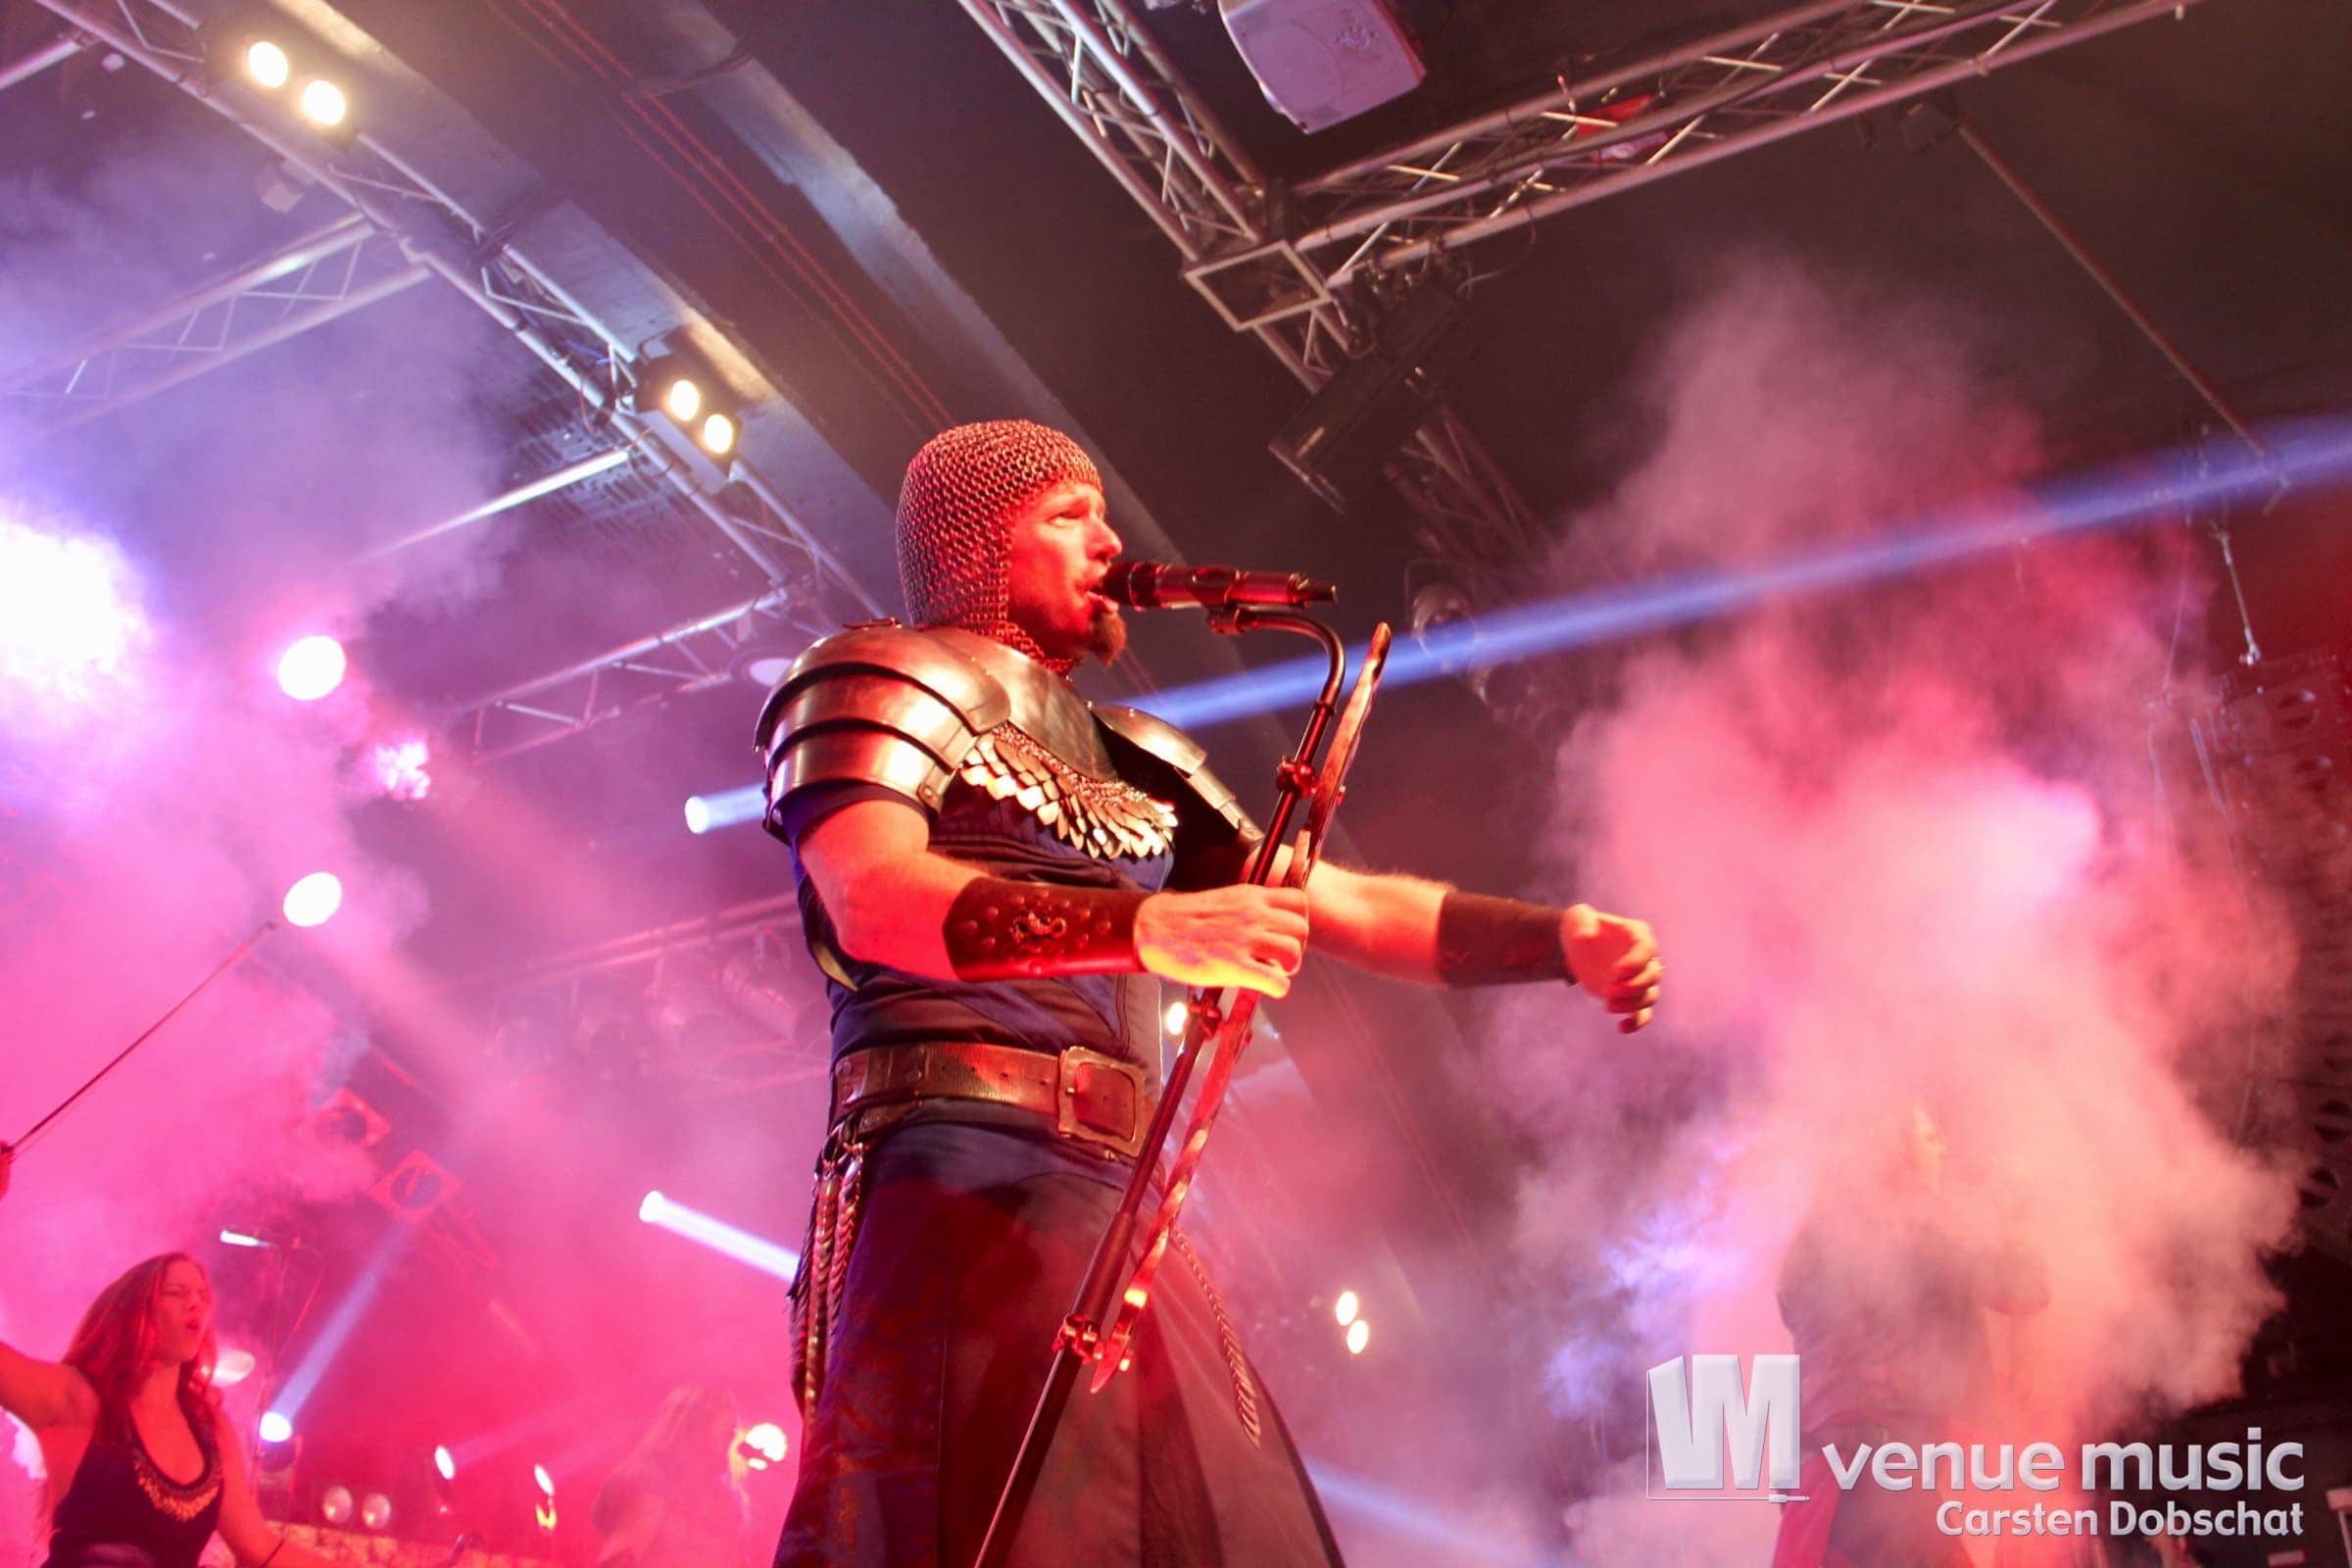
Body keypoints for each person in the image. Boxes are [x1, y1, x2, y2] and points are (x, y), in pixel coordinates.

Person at [756, 419, 1663, 1566]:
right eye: (1068, 516)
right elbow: (872, 898)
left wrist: (1554, 939)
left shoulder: (1134, 751)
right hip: (952, 1178)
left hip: (1119, 1204)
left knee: (1239, 1533)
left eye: (1103, 511)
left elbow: (1338, 904)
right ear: (975, 546)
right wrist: (1151, 927)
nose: (1108, 540)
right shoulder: (877, 675)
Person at [0, 1150, 335, 1568]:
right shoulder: (77, 1399)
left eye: (202, 1296)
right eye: (177, 1293)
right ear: (134, 1311)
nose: (196, 1304)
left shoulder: (210, 1429)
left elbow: (259, 1548)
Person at [1770, 1104, 2049, 1568]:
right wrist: (2019, 1217)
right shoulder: (1912, 1227)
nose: (1944, 1147)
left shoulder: (1811, 1242)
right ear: (1895, 1152)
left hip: (1821, 1485)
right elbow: (2021, 1288)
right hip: (1888, 1482)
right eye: (1930, 1137)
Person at [592, 1384, 755, 1568]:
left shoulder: (725, 1502)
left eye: (733, 1429)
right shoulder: (654, 1482)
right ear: (694, 1426)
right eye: (725, 1429)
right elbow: (618, 1560)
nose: (732, 1436)